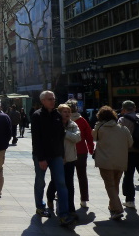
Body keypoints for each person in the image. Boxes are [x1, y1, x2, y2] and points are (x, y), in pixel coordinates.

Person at [31, 90, 74, 227]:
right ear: (43, 101)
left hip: (56, 156)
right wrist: (41, 158)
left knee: (61, 183)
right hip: (42, 155)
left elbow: (60, 137)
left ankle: (64, 214)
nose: (52, 101)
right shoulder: (37, 115)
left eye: (53, 98)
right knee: (40, 181)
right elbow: (36, 139)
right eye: (49, 99)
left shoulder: (57, 115)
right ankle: (40, 206)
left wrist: (62, 156)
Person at [93, 105, 133, 220]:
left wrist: (97, 125)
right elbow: (130, 143)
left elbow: (94, 137)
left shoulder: (100, 128)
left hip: (105, 162)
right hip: (120, 161)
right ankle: (112, 207)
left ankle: (118, 209)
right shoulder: (123, 128)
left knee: (110, 185)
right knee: (115, 184)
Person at [46, 104, 81, 219]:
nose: (67, 114)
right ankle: (50, 197)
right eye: (64, 111)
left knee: (69, 184)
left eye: (68, 112)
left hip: (70, 158)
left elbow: (77, 138)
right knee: (56, 182)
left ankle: (70, 208)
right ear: (59, 113)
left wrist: (65, 132)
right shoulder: (54, 124)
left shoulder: (72, 124)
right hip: (57, 158)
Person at [67, 99, 94, 208]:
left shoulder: (64, 120)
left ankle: (65, 197)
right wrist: (91, 150)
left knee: (67, 176)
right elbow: (89, 137)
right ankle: (84, 199)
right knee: (82, 175)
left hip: (67, 151)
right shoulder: (82, 120)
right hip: (81, 151)